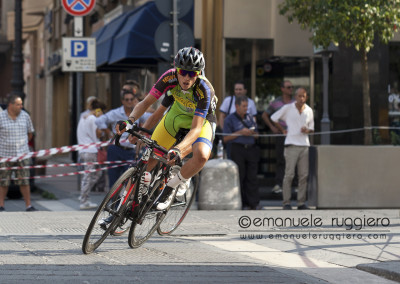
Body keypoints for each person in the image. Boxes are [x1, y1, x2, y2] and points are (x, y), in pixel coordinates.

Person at [117, 46, 217, 211]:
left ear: (198, 74)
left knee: (201, 155)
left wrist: (178, 150)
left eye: (192, 73)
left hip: (201, 121)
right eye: (182, 72)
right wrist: (130, 122)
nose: (186, 77)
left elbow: (196, 129)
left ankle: (172, 186)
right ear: (176, 69)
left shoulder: (204, 90)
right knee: (150, 158)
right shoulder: (169, 78)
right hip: (176, 116)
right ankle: (121, 205)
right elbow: (145, 104)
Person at [95, 88, 150, 190]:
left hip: (130, 151)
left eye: (131, 99)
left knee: (130, 181)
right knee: (114, 181)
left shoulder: (138, 113)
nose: (129, 101)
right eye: (126, 99)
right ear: (122, 101)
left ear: (134, 100)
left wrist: (147, 106)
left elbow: (151, 118)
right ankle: (112, 205)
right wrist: (109, 132)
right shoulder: (115, 113)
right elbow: (99, 121)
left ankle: (124, 204)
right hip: (115, 149)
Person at [270, 87, 314, 210]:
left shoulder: (309, 110)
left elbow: (312, 128)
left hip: (304, 145)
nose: (301, 98)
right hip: (291, 145)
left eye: (303, 96)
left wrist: (307, 130)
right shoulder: (288, 108)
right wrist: (282, 129)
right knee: (289, 174)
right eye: (299, 96)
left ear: (306, 97)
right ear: (295, 97)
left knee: (303, 175)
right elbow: (274, 118)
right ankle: (286, 202)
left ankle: (301, 202)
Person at [223, 96, 260, 210]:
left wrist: (251, 133)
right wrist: (240, 132)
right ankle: (242, 203)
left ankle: (254, 203)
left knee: (252, 177)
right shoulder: (229, 119)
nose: (246, 109)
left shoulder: (250, 118)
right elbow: (225, 138)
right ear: (236, 106)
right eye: (243, 106)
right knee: (240, 176)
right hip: (237, 149)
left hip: (251, 149)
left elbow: (257, 135)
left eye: (247, 106)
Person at [0, 95, 37, 212]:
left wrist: (23, 144)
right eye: (18, 104)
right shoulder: (1, 117)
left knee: (24, 181)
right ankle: (1, 205)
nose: (21, 106)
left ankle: (28, 205)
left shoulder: (25, 116)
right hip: (5, 154)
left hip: (22, 154)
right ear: (10, 105)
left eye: (21, 104)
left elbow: (30, 133)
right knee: (3, 181)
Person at [262, 80, 295, 194]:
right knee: (281, 159)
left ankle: (291, 184)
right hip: (281, 135)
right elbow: (265, 115)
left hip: (293, 135)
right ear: (282, 89)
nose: (291, 89)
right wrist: (272, 127)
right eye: (288, 87)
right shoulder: (276, 103)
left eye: (291, 87)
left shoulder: (295, 102)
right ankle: (279, 184)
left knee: (292, 160)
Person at [77, 99, 107, 210]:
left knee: (92, 175)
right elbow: (97, 135)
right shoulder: (93, 119)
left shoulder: (83, 117)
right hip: (91, 150)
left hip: (83, 149)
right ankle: (84, 199)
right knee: (89, 176)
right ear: (99, 110)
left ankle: (84, 195)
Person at [218, 81, 257, 159]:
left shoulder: (251, 102)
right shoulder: (228, 100)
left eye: (240, 89)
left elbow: (254, 118)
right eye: (236, 89)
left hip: (247, 137)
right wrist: (224, 131)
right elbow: (221, 116)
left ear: (245, 90)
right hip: (230, 136)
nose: (238, 91)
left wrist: (252, 130)